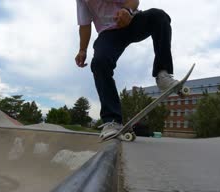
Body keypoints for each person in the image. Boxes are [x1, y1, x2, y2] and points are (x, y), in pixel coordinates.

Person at [75, 0, 179, 139]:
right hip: (109, 33)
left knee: (158, 16)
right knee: (99, 62)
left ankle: (162, 74)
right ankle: (112, 121)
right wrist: (82, 49)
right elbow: (84, 24)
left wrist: (127, 10)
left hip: (132, 21)